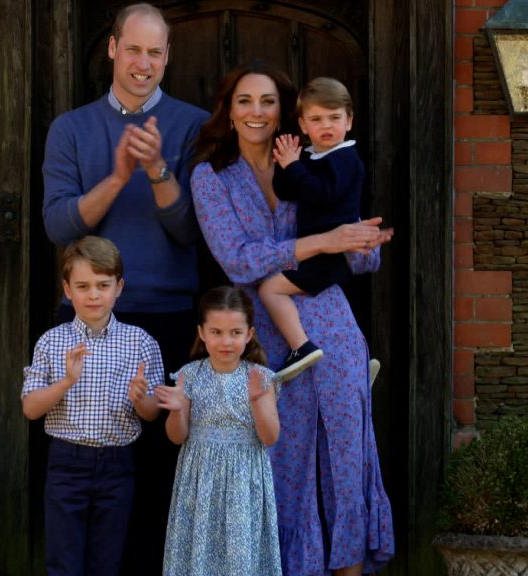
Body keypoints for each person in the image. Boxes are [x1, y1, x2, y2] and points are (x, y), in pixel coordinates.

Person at [189, 60, 396, 576]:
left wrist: (362, 242)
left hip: (332, 322)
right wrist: (324, 241)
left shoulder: (314, 158)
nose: (256, 112)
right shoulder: (210, 176)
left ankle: (350, 568)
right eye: (245, 101)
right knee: (281, 465)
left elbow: (357, 252)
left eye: (267, 101)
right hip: (262, 335)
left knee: (347, 459)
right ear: (229, 112)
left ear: (287, 113)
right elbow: (237, 259)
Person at [41, 4, 209, 571]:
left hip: (166, 317)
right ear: (112, 48)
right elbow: (60, 225)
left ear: (167, 57)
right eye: (133, 49)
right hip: (87, 320)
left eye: (155, 52)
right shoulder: (71, 128)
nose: (143, 63)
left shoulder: (194, 126)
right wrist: (117, 176)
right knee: (82, 472)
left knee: (159, 474)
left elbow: (190, 231)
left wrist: (159, 169)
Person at [21, 236, 163, 576]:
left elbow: (152, 413)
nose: (94, 295)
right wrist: (66, 381)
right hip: (67, 462)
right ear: (67, 290)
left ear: (119, 287)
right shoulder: (52, 341)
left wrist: (140, 398)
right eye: (83, 286)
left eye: (103, 285)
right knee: (63, 560)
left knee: (107, 560)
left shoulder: (140, 342)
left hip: (117, 464)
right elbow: (30, 408)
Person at [155, 286, 282, 576]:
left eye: (235, 333)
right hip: (200, 480)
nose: (226, 341)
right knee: (199, 553)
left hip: (243, 480)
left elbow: (270, 437)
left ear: (249, 334)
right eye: (216, 332)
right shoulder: (190, 374)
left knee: (240, 557)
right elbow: (177, 436)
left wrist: (258, 402)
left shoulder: (261, 378)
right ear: (202, 333)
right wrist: (176, 409)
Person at [261, 77, 365, 382]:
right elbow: (286, 191)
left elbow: (322, 194)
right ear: (303, 125)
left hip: (330, 255)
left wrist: (295, 167)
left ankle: (301, 347)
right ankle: (352, 363)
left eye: (335, 118)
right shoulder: (311, 156)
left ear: (349, 120)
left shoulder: (346, 158)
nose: (326, 126)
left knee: (270, 289)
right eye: (316, 119)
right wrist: (285, 164)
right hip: (315, 250)